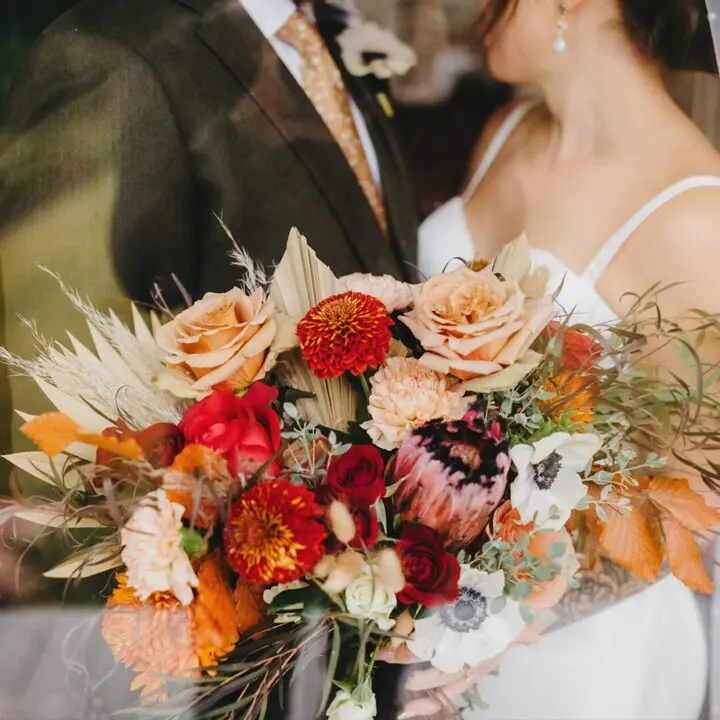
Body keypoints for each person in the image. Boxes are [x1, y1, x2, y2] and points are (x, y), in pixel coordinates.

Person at [417, 0, 720, 717]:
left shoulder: (698, 223)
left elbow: (695, 510)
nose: (471, 8)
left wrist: (487, 616)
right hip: (433, 613)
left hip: (582, 664)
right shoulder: (507, 130)